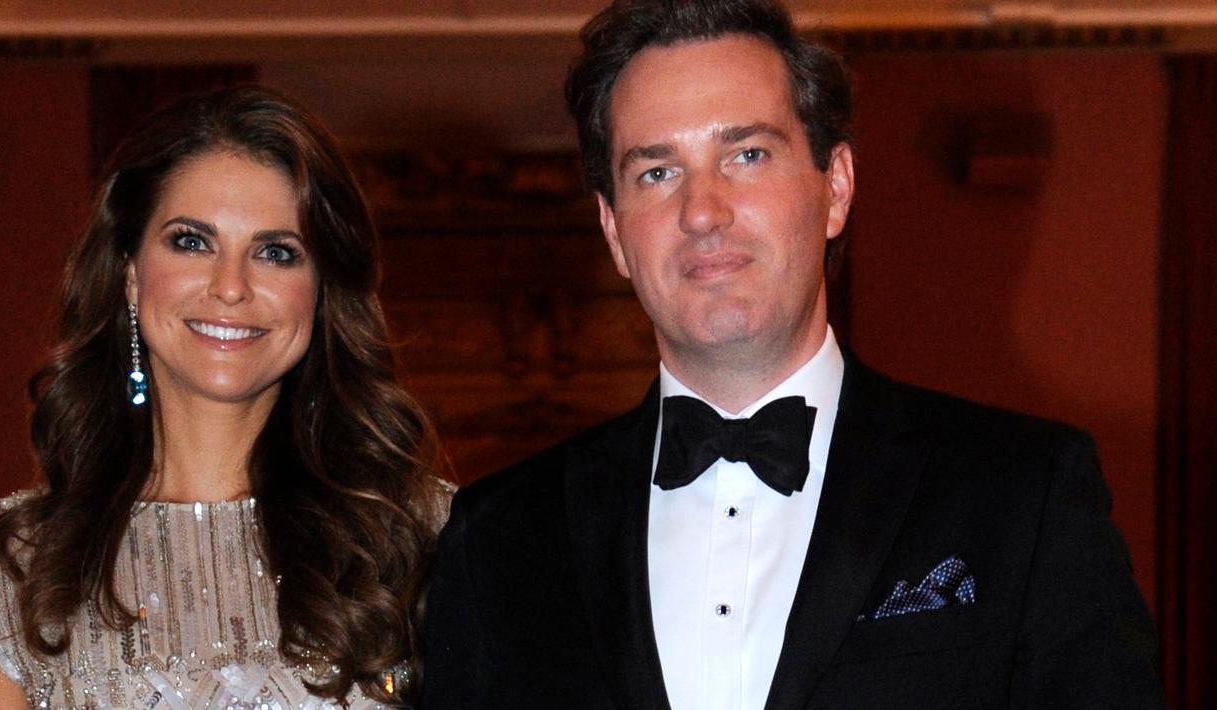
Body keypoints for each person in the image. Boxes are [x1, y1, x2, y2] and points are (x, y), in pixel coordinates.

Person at [421, 1, 1164, 708]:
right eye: (657, 172)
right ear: (614, 231)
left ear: (835, 186)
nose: (702, 211)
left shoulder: (1023, 495)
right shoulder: (498, 539)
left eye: (746, 154)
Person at [0, 86, 449, 710]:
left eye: (276, 253)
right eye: (192, 242)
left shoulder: (427, 540)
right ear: (130, 272)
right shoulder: (7, 570)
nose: (231, 286)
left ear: (322, 290)